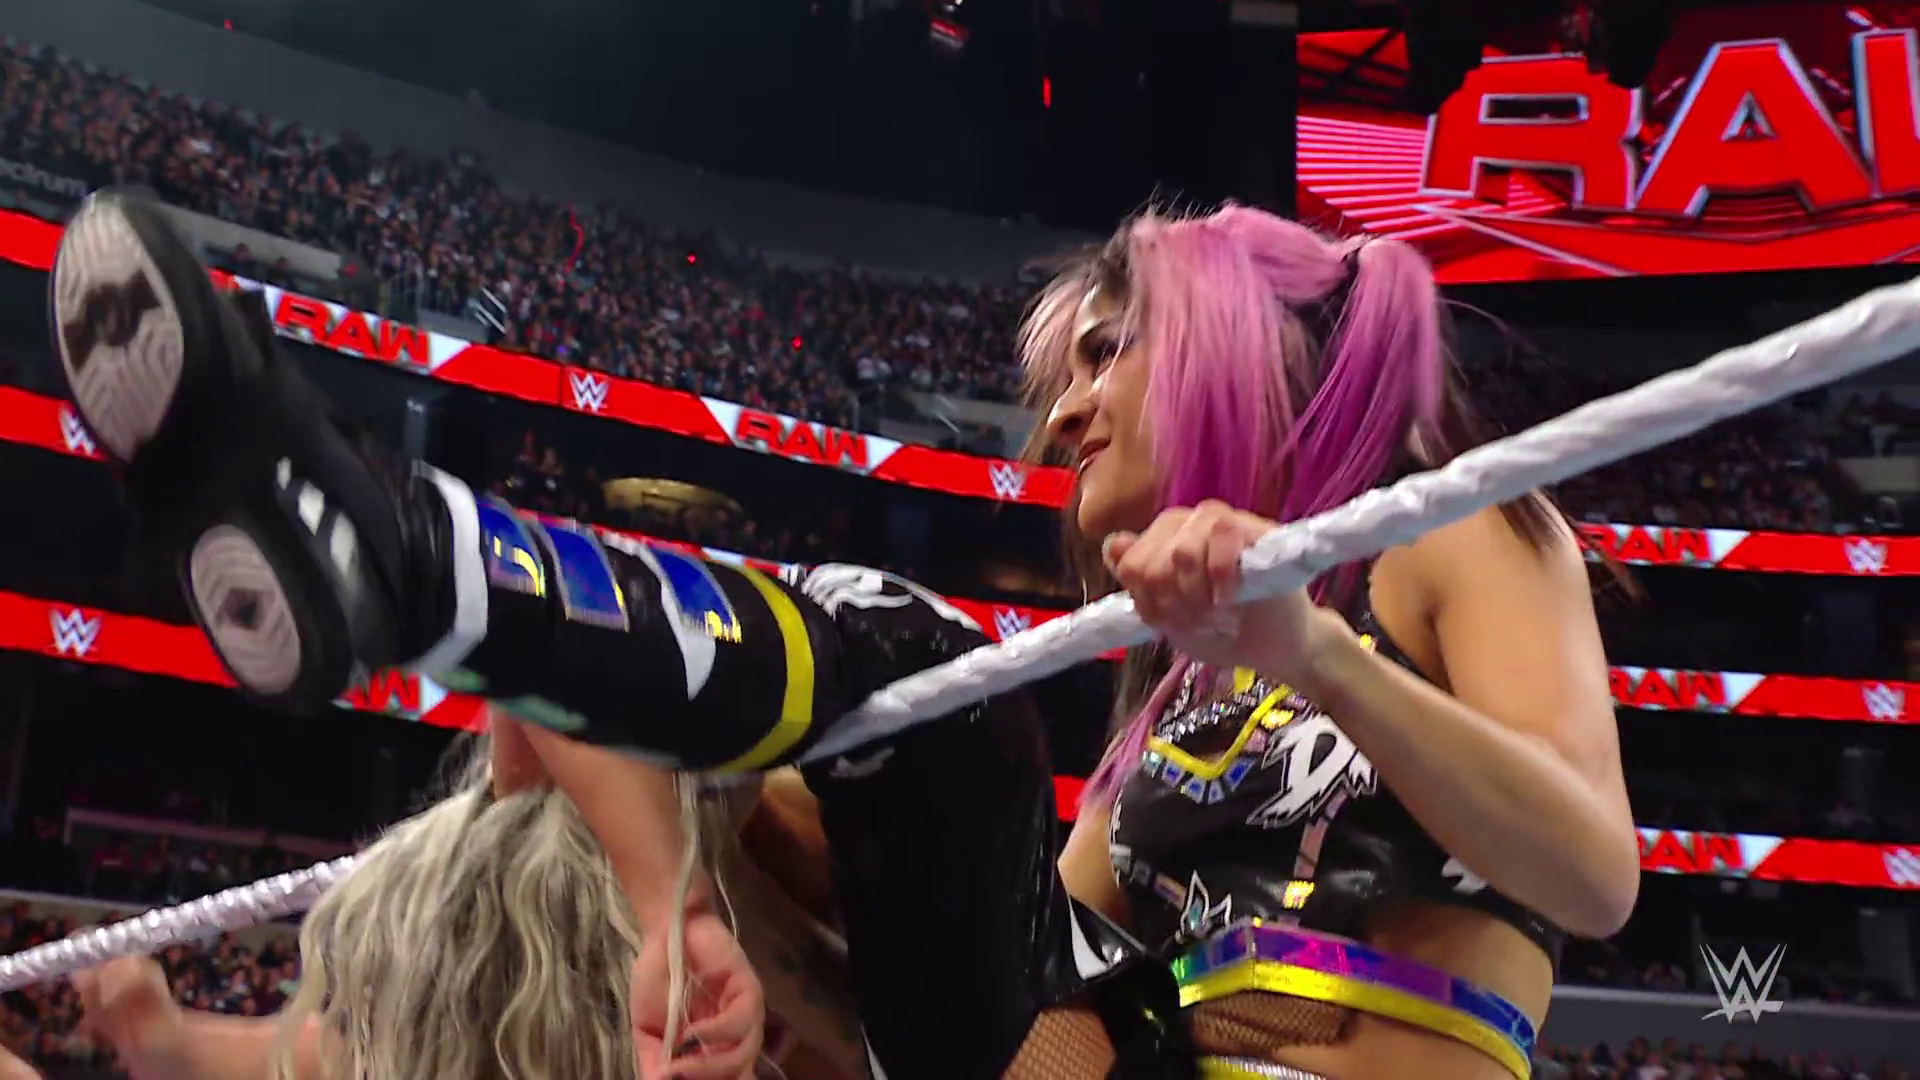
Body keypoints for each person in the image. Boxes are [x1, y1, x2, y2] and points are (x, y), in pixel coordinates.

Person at [49, 190, 1189, 1080]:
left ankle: (407, 553)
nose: (1061, 413)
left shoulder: (1301, 620)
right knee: (616, 784)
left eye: (1106, 354)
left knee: (923, 676)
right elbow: (549, 721)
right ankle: (401, 551)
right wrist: (677, 910)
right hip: (958, 1020)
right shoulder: (1153, 734)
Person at [1025, 206, 1639, 1079]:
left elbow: (1595, 876)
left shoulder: (1443, 528)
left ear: (1228, 342)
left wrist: (1317, 656)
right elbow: (1032, 977)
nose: (1062, 414)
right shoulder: (1180, 664)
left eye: (1104, 352)